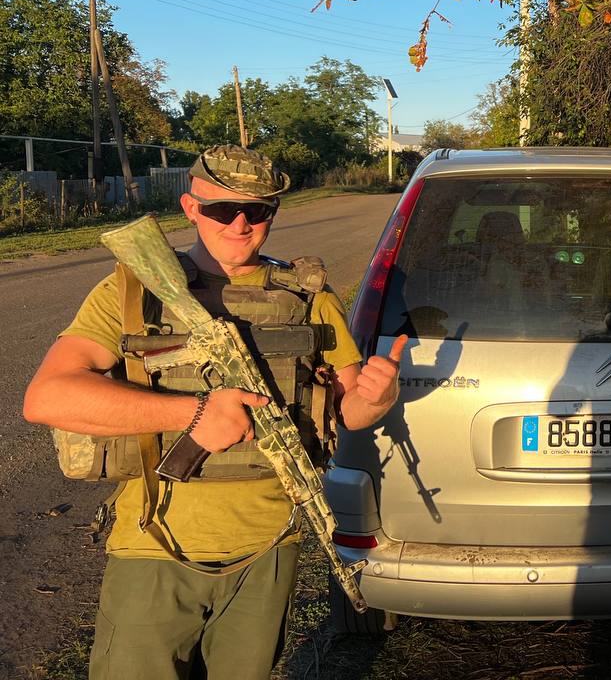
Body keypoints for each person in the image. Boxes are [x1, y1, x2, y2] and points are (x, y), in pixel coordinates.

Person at [23, 145, 406, 679]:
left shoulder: (309, 298)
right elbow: (47, 398)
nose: (241, 223)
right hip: (155, 546)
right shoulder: (135, 291)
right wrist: (194, 412)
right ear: (190, 207)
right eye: (223, 209)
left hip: (269, 548)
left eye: (259, 210)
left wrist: (377, 398)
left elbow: (351, 412)